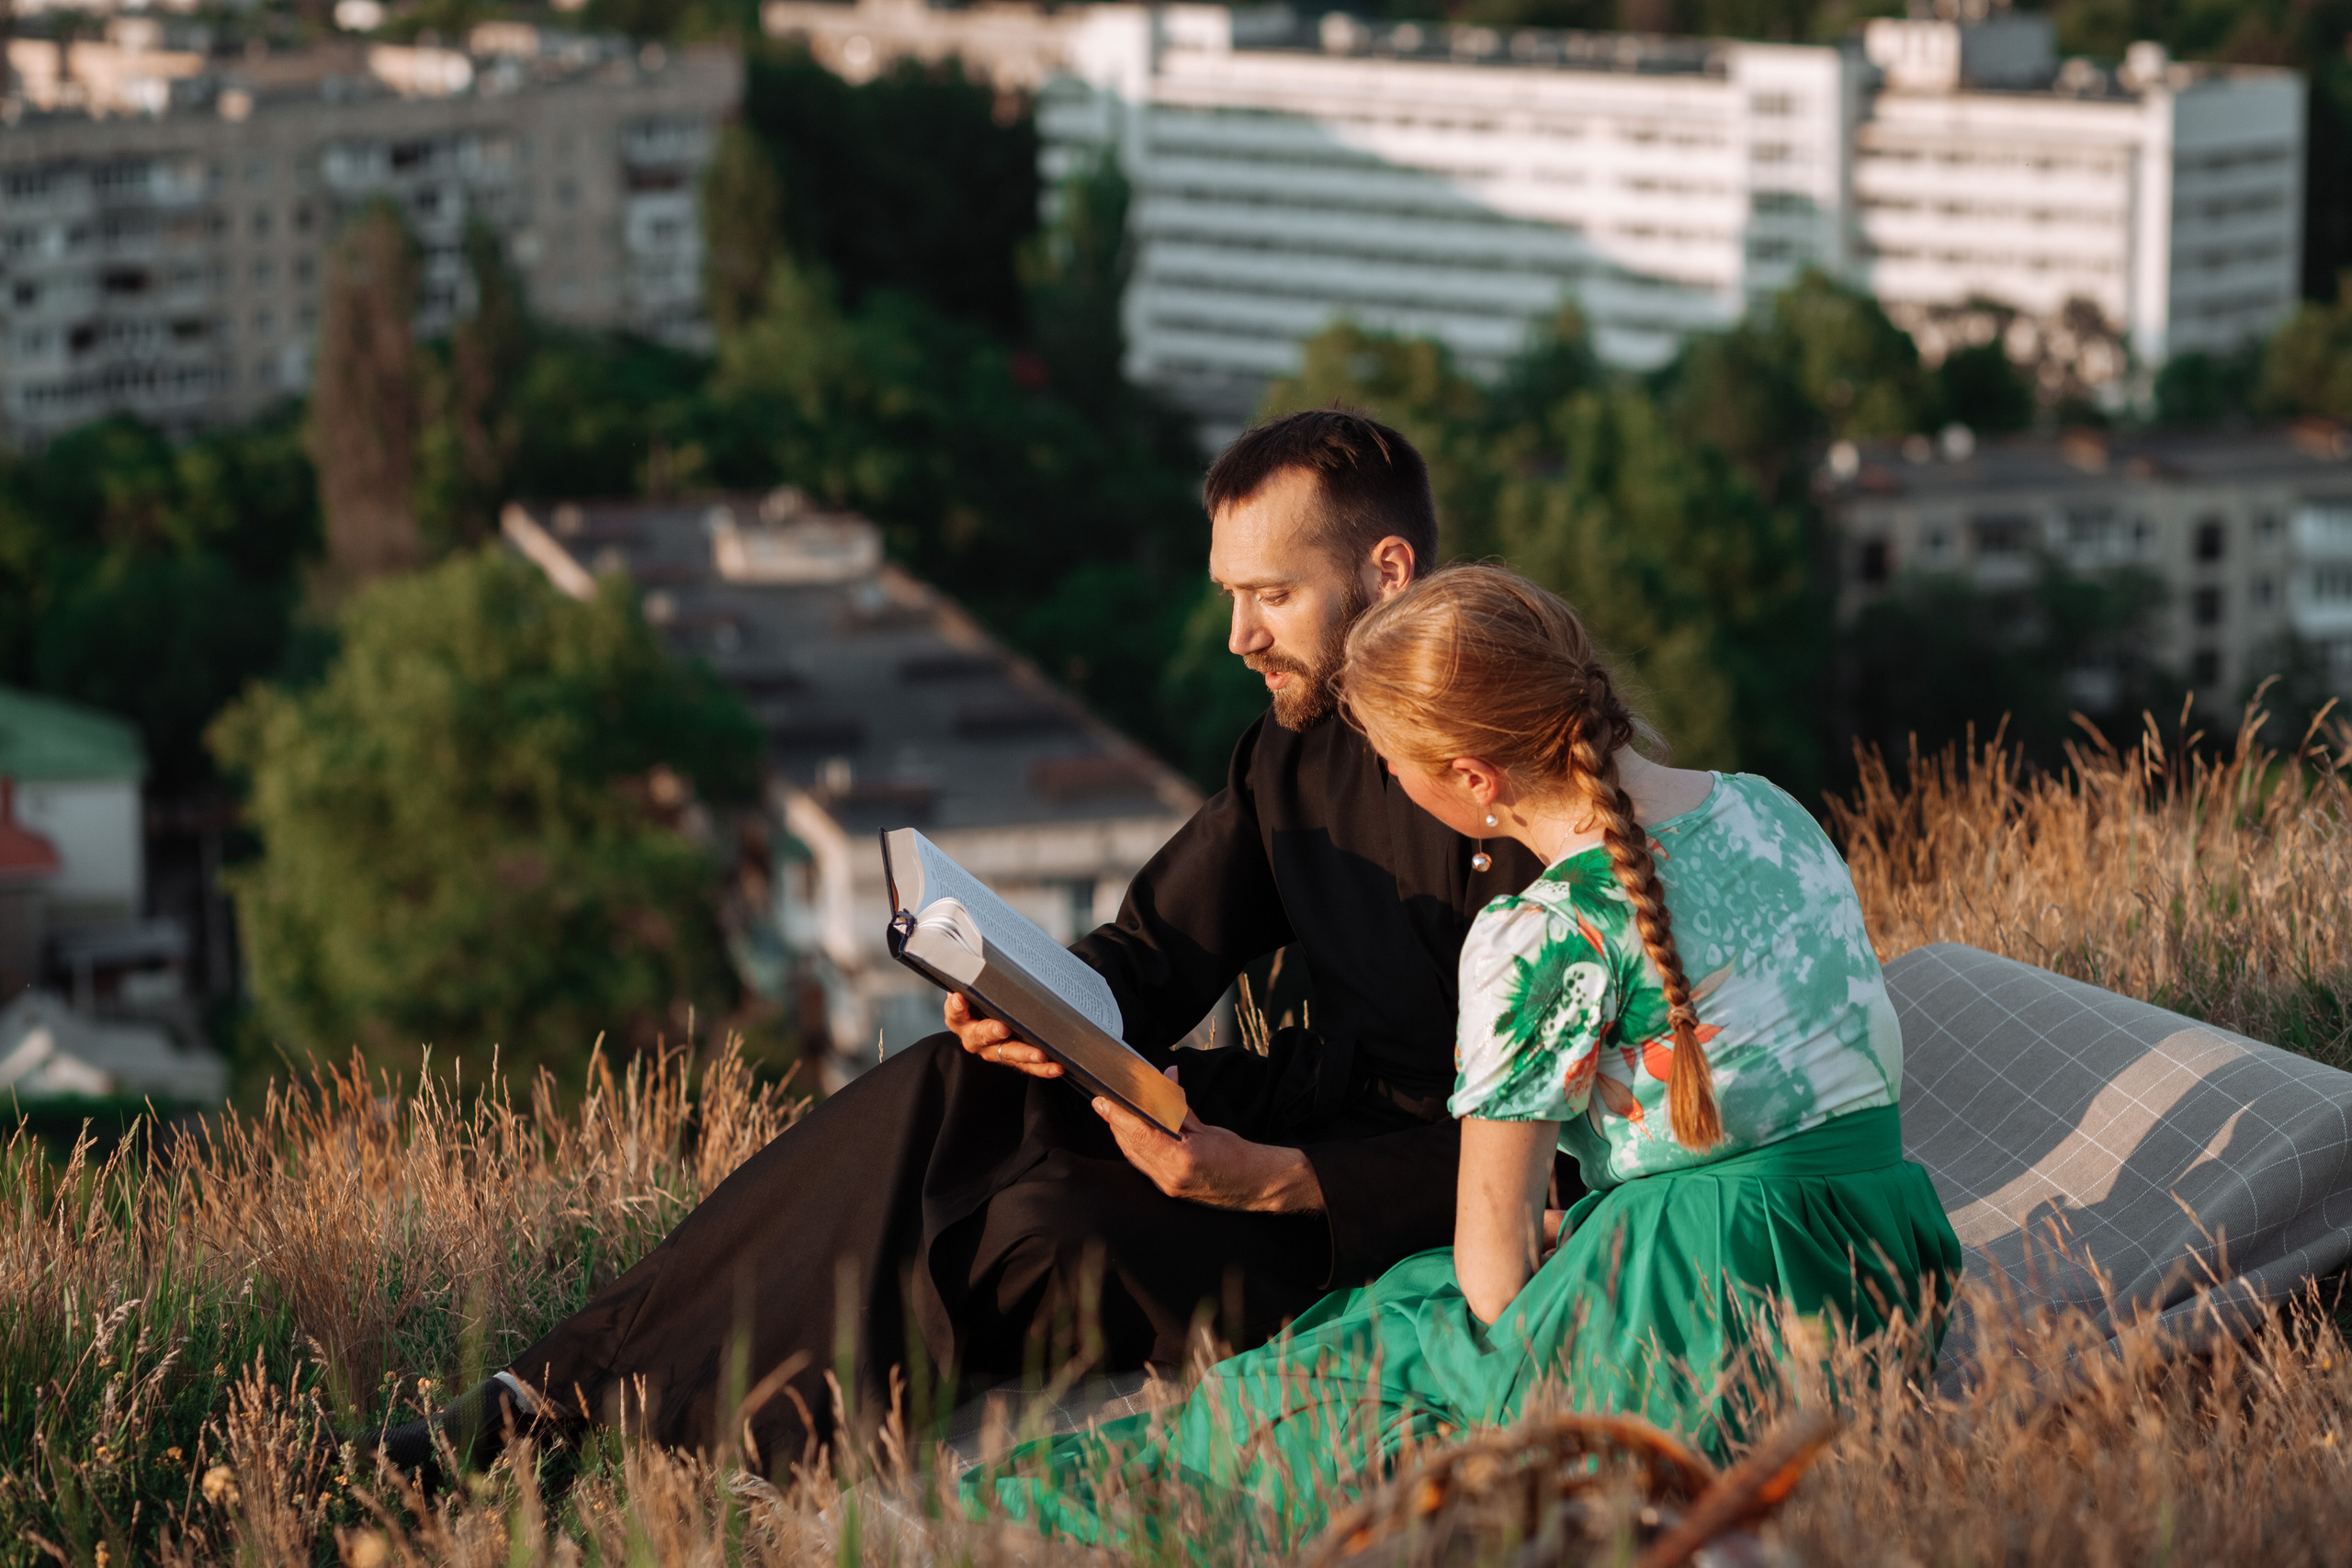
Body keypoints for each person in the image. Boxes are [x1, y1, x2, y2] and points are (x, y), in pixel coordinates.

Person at [369, 411, 1553, 1483]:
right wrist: (1023, 995)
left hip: (1385, 1202)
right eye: (1228, 595)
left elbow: (1564, 1160)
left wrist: (1283, 1180)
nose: (1239, 636)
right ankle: (546, 1393)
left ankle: (683, 1437)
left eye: (1272, 596)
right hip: (1280, 1117)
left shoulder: (1521, 789)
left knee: (1019, 1235)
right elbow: (1153, 955)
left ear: (1386, 571)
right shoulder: (1291, 752)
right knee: (957, 1080)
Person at [965, 564, 1964, 1548]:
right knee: (1402, 1307)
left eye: (1392, 763)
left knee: (1313, 1387)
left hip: (1690, 1307)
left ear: (1475, 780)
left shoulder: (1538, 935)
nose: (1390, 783)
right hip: (1875, 1265)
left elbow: (1493, 1280)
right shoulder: (1768, 808)